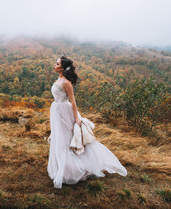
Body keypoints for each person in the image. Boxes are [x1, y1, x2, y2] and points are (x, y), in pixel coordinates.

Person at [47, 56, 127, 189]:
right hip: (57, 111)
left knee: (66, 139)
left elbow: (72, 101)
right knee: (59, 137)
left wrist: (77, 118)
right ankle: (62, 168)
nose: (54, 65)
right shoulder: (59, 79)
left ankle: (74, 170)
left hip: (64, 111)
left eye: (57, 64)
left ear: (62, 68)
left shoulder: (66, 82)